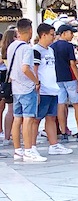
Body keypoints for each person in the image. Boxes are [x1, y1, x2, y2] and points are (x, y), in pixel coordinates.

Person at [33, 23, 72, 157]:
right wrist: (36, 86)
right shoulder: (36, 50)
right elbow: (35, 70)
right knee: (36, 119)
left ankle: (54, 145)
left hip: (53, 88)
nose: (53, 37)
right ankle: (31, 146)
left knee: (51, 117)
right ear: (43, 35)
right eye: (51, 34)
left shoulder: (50, 50)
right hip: (43, 90)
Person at [9, 18, 44, 163]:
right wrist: (36, 81)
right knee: (28, 119)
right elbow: (25, 68)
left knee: (17, 119)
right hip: (27, 88)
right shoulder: (27, 49)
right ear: (29, 30)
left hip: (15, 87)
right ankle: (29, 150)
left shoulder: (12, 46)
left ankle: (18, 150)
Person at [52, 23, 78, 140]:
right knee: (76, 104)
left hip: (57, 78)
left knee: (61, 104)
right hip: (70, 78)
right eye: (71, 33)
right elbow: (72, 63)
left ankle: (63, 131)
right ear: (64, 33)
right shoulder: (68, 46)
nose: (72, 35)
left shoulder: (52, 46)